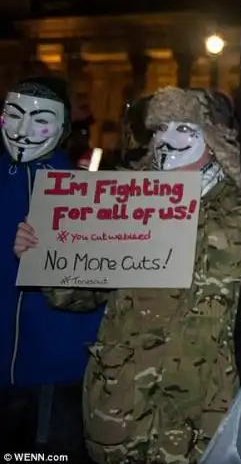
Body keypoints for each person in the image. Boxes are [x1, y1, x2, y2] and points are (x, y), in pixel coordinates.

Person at [14, 87, 241, 463]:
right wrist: (44, 254)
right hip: (125, 404)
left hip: (208, 406)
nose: (167, 140)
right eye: (159, 129)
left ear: (215, 137)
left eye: (183, 128)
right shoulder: (122, 198)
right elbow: (79, 294)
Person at [1, 77, 104, 460]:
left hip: (57, 371)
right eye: (13, 115)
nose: (24, 130)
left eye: (40, 120)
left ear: (62, 128)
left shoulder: (87, 194)